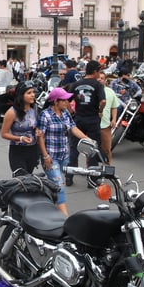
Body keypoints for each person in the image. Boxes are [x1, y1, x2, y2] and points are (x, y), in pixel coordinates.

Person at [37, 87, 92, 216]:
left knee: (55, 184)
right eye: (64, 100)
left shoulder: (66, 113)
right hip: (51, 156)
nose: (67, 103)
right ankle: (64, 217)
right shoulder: (45, 115)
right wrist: (45, 156)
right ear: (56, 101)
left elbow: (73, 128)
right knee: (59, 185)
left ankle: (48, 203)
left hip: (64, 155)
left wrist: (88, 139)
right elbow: (40, 137)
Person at [68, 60, 106, 188]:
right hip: (92, 119)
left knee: (74, 147)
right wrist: (100, 111)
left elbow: (66, 99)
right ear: (95, 71)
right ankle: (93, 179)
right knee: (93, 148)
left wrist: (71, 111)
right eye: (99, 71)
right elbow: (103, 102)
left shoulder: (76, 84)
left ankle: (69, 176)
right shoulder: (97, 84)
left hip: (78, 119)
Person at [0, 81, 39, 175]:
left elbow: (35, 126)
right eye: (29, 93)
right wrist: (20, 138)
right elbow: (4, 134)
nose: (33, 95)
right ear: (21, 95)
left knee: (29, 180)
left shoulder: (35, 109)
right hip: (17, 151)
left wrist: (38, 131)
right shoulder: (12, 112)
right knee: (21, 181)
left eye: (33, 92)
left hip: (33, 150)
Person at [99, 70, 121, 165]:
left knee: (107, 149)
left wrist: (114, 119)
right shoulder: (92, 91)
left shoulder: (110, 92)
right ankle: (90, 169)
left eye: (102, 78)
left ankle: (108, 168)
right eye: (98, 78)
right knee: (91, 150)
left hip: (105, 126)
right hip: (93, 125)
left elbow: (114, 107)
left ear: (105, 80)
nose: (99, 80)